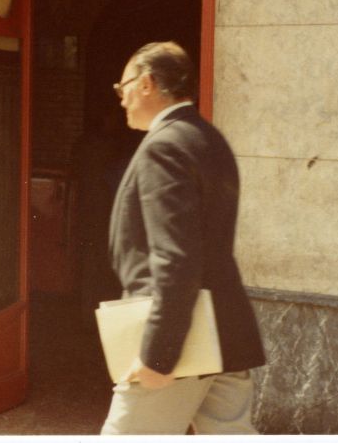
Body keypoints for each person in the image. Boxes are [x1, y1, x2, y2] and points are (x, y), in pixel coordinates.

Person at [100, 41, 266, 435]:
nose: (121, 99)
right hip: (225, 335)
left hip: (183, 343)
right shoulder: (208, 138)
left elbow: (175, 260)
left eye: (122, 87)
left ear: (147, 84)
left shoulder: (163, 146)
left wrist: (159, 356)